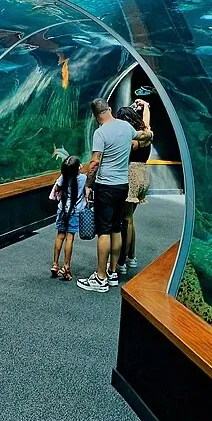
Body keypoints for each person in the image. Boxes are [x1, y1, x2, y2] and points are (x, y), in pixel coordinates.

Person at [77, 95, 135, 291]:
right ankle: (112, 272)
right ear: (109, 108)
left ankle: (100, 278)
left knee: (103, 231)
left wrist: (88, 185)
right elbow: (139, 137)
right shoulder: (127, 127)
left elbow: (94, 163)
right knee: (116, 228)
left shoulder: (100, 133)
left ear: (95, 116)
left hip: (106, 186)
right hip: (123, 184)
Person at [118, 95, 153, 276]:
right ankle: (132, 256)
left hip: (131, 175)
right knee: (130, 219)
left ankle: (122, 260)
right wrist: (145, 106)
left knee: (126, 220)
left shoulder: (131, 139)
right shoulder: (146, 133)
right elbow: (146, 123)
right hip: (143, 175)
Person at [48, 155, 84, 282]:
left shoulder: (63, 178)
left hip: (62, 210)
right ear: (78, 168)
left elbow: (57, 188)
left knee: (60, 236)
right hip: (74, 212)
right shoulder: (83, 178)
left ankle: (55, 264)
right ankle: (66, 267)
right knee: (70, 238)